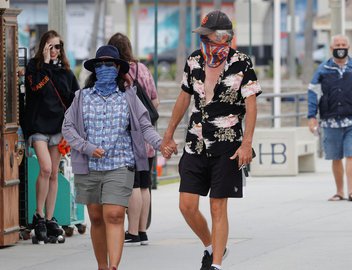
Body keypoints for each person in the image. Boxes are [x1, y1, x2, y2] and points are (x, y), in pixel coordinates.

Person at [161, 10, 262, 270]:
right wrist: (169, 133)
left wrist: (247, 143)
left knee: (218, 206)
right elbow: (184, 97)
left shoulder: (242, 62)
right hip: (195, 142)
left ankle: (216, 264)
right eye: (202, 36)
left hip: (227, 145)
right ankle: (212, 246)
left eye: (208, 36)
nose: (204, 41)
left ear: (223, 37)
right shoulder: (194, 61)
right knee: (186, 205)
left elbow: (251, 105)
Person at [62, 45, 169, 270]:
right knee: (96, 217)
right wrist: (87, 147)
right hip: (89, 166)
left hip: (120, 163)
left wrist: (162, 143)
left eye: (109, 64)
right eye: (100, 65)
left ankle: (113, 267)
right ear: (94, 70)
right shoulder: (81, 97)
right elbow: (68, 127)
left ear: (118, 68)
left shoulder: (129, 97)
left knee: (114, 214)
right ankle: (102, 265)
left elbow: (145, 125)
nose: (104, 69)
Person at [24, 30, 79, 242]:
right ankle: (38, 215)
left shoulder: (65, 72)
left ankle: (49, 218)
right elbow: (36, 88)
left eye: (58, 47)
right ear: (43, 47)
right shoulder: (34, 68)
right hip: (38, 126)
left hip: (58, 128)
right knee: (45, 168)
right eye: (50, 46)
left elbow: (75, 98)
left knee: (54, 173)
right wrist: (45, 63)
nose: (55, 51)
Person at [108, 33, 159, 246]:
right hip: (147, 137)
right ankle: (143, 232)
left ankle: (133, 232)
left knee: (133, 185)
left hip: (131, 138)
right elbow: (154, 102)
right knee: (145, 184)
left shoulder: (120, 73)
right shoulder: (143, 70)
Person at [307, 34, 352, 202]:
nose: (340, 47)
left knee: (351, 154)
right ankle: (339, 192)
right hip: (330, 121)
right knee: (336, 157)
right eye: (337, 45)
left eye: (343, 44)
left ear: (348, 47)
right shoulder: (323, 70)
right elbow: (313, 93)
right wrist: (311, 117)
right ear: (331, 48)